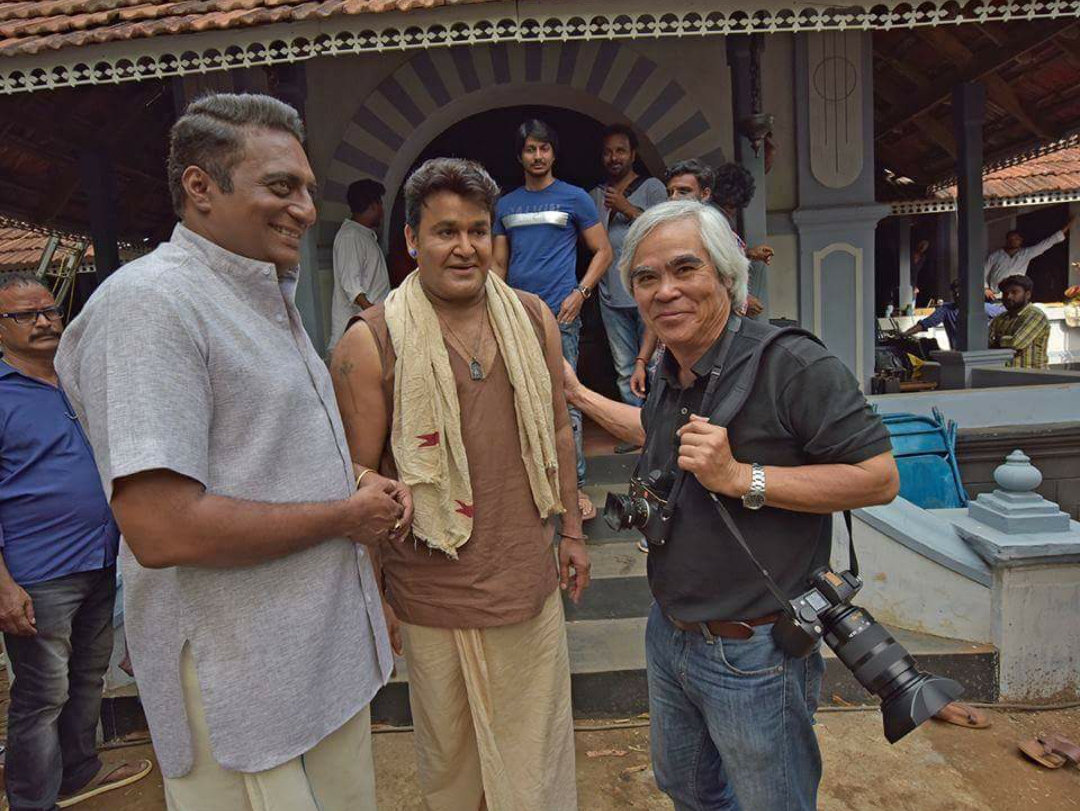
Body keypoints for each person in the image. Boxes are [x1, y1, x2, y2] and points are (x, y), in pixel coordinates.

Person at [56, 93, 409, 811]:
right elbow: (163, 528)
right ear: (200, 186)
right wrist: (346, 516)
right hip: (243, 677)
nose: (304, 209)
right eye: (280, 186)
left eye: (307, 188)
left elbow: (265, 458)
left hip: (314, 659)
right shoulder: (151, 304)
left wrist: (353, 488)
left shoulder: (262, 294)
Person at [563, 200, 898, 810]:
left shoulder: (793, 364)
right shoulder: (672, 367)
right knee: (687, 788)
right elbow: (655, 432)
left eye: (684, 269)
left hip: (757, 648)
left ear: (725, 275)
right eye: (646, 277)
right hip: (671, 631)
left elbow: (878, 478)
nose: (665, 291)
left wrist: (742, 477)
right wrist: (577, 393)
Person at [331, 157, 590, 811]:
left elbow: (560, 432)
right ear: (411, 239)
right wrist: (376, 594)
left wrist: (573, 533)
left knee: (534, 766)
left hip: (525, 580)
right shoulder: (372, 341)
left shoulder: (533, 318)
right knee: (454, 770)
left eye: (477, 230)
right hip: (430, 593)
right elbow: (360, 484)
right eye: (446, 231)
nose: (465, 247)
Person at [0, 273, 151, 811]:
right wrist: (3, 584)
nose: (43, 321)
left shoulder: (80, 379)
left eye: (49, 310)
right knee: (42, 694)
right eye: (24, 315)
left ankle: (79, 771)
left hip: (101, 558)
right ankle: (31, 800)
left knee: (87, 677)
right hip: (38, 572)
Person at [493, 118, 613, 520]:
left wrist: (581, 293)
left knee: (566, 398)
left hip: (561, 315)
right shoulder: (505, 205)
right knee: (518, 398)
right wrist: (497, 308)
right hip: (516, 316)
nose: (538, 156)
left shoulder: (574, 198)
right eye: (530, 149)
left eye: (544, 148)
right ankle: (532, 484)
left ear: (553, 153)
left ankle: (573, 488)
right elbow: (497, 265)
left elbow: (603, 251)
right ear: (519, 156)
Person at [588, 123, 667, 408]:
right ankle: (636, 425)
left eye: (620, 151)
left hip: (649, 290)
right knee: (624, 368)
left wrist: (627, 208)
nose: (614, 157)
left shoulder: (652, 188)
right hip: (611, 294)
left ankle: (659, 423)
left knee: (656, 365)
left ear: (633, 154)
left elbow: (664, 229)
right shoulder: (595, 195)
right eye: (608, 152)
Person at [328, 178, 390, 352]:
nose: (382, 211)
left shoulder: (362, 235)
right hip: (358, 335)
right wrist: (375, 317)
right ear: (373, 206)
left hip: (368, 330)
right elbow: (351, 287)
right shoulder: (350, 237)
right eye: (380, 204)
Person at [983, 217, 1074, 299]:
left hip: (1016, 298)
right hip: (995, 297)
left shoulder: (1026, 253)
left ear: (1021, 240)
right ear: (1006, 240)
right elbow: (983, 272)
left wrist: (1067, 227)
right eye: (1011, 239)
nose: (1013, 241)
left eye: (1016, 239)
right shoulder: (995, 255)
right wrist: (985, 288)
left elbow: (1047, 243)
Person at [900, 279, 1005, 348]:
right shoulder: (946, 309)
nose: (957, 295)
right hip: (958, 352)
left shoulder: (982, 307)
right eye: (955, 293)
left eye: (960, 292)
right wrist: (905, 334)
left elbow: (1005, 315)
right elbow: (925, 323)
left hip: (984, 350)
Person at [989, 274, 1051, 368]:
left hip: (1032, 374)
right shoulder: (1001, 318)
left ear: (1027, 294)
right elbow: (986, 341)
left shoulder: (1035, 315)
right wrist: (998, 341)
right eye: (1005, 293)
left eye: (1014, 292)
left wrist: (997, 340)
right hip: (1006, 372)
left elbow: (1017, 342)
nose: (1008, 296)